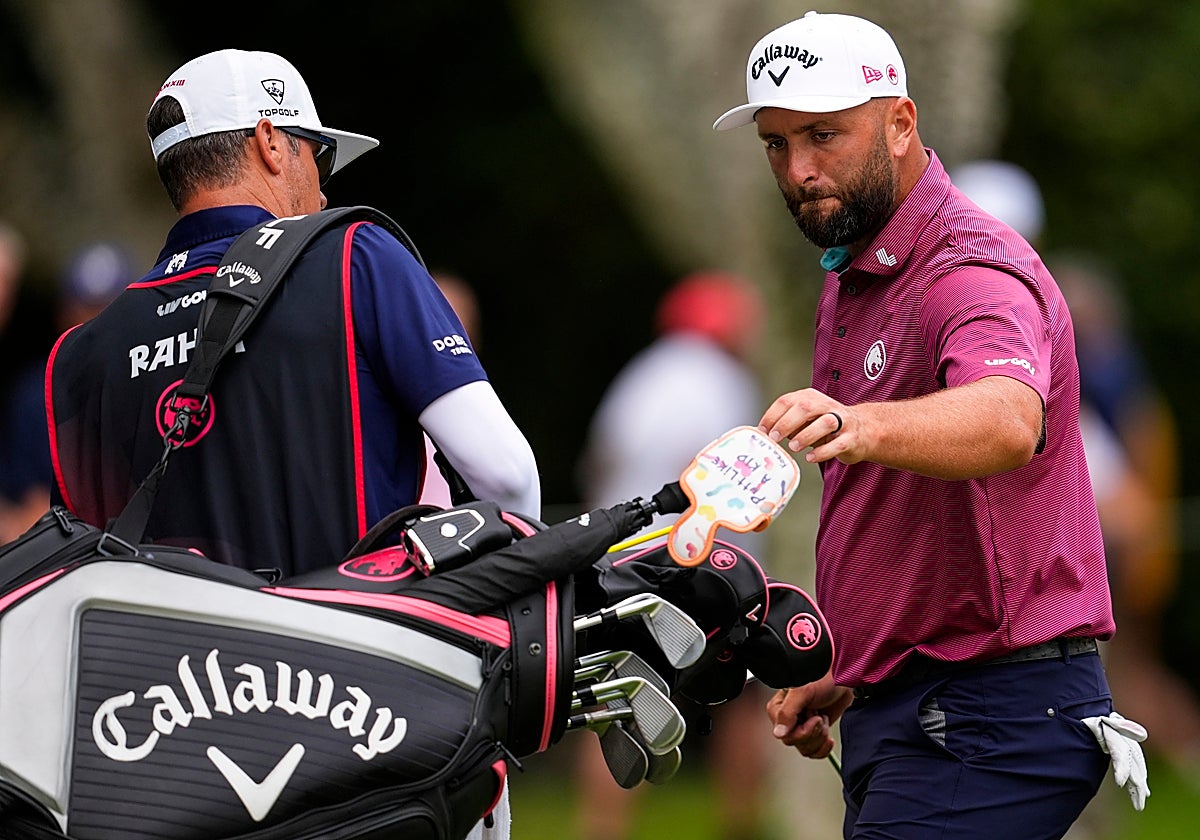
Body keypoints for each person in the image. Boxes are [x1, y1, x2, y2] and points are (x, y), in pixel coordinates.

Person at [44, 49, 538, 839]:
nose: (325, 183)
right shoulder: (353, 256)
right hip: (372, 739)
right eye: (320, 154)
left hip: (169, 770)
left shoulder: (79, 357)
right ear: (274, 144)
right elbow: (506, 479)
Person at [712, 12, 1145, 838]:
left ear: (901, 122)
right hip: (927, 707)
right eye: (777, 144)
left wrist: (859, 423)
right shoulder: (856, 273)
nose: (800, 170)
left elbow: (1009, 418)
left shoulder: (967, 270)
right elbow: (921, 526)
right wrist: (856, 668)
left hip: (988, 719)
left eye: (823, 135)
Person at [575, 271, 773, 840]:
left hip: (623, 561)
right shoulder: (720, 380)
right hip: (707, 565)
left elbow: (599, 462)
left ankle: (602, 831)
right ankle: (742, 827)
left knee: (618, 698)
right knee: (743, 699)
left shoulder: (642, 375)